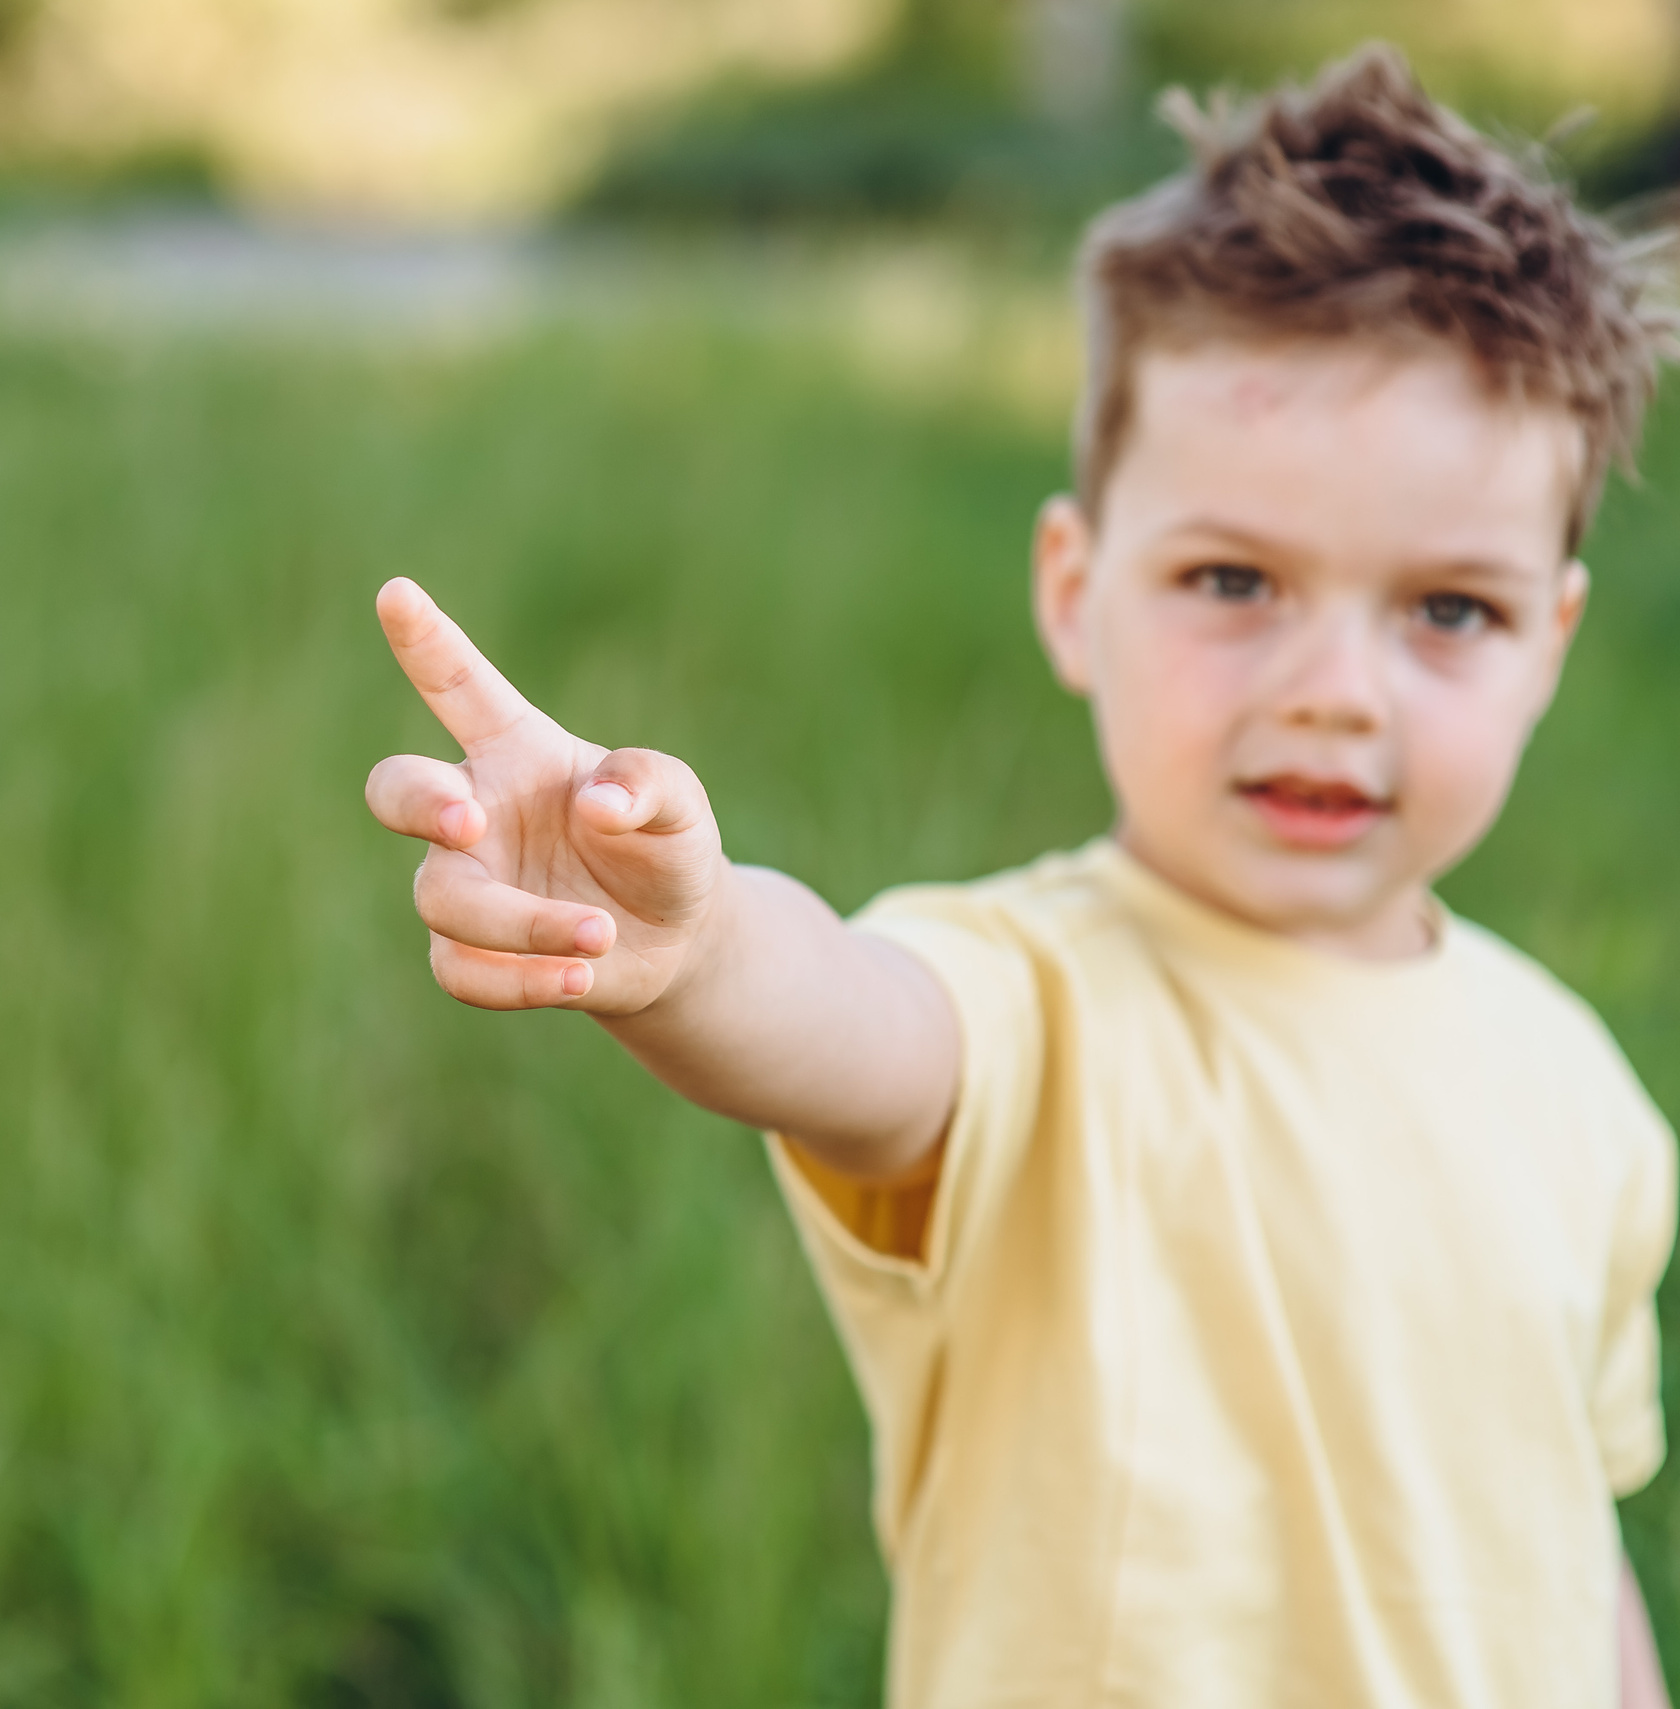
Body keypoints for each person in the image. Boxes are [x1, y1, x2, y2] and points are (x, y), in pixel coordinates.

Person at [363, 43, 1679, 1709]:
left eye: (1448, 611)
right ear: (1076, 588)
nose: (1338, 688)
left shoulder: (1577, 1084)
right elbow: (843, 1017)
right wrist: (692, 953)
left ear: (1551, 642)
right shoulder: (1030, 1000)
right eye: (1234, 579)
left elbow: (1576, 1557)